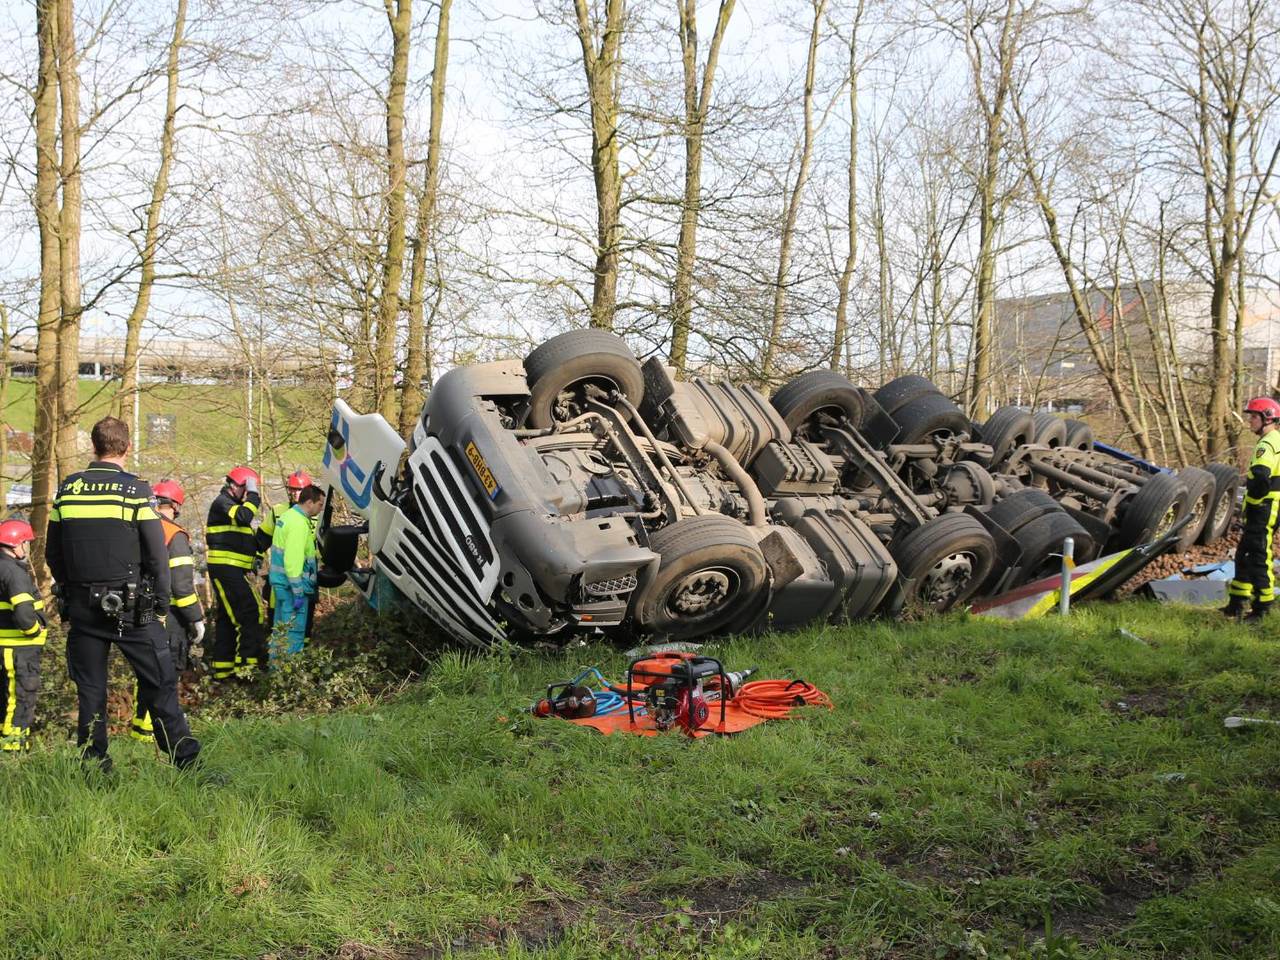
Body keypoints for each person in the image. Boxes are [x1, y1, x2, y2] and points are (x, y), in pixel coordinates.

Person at [46, 416, 200, 772]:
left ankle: (94, 765)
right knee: (159, 683)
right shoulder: (135, 490)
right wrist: (161, 606)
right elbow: (155, 553)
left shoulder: (68, 489)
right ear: (126, 448)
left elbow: (53, 553)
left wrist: (70, 588)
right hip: (133, 610)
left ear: (94, 446)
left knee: (90, 690)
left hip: (83, 608)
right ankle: (187, 763)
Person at [131, 479, 207, 741]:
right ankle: (152, 732)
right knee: (164, 674)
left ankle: (141, 729)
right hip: (169, 618)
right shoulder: (174, 535)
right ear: (175, 505)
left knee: (145, 671)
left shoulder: (137, 527)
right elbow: (182, 588)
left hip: (138, 612)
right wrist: (196, 619)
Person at [1224, 396, 1280, 623]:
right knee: (1244, 555)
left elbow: (1260, 479)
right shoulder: (1275, 439)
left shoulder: (1267, 444)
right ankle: (1236, 604)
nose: (1250, 422)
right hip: (1266, 506)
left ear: (1268, 418)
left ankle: (1262, 608)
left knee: (1258, 556)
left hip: (1265, 508)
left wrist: (1254, 505)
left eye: (1254, 417)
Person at [206, 465, 265, 679]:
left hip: (232, 571)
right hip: (225, 570)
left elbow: (247, 541)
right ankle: (246, 669)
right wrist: (254, 496)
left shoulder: (231, 505)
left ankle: (223, 669)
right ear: (236, 486)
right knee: (249, 613)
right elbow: (243, 516)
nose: (248, 494)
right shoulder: (222, 503)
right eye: (247, 488)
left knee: (228, 618)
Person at [0, 519, 47, 753]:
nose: (27, 548)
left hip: (6, 648)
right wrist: (34, 631)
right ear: (15, 544)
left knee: (6, 698)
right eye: (26, 543)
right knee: (20, 698)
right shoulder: (14, 573)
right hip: (19, 648)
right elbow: (24, 613)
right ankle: (13, 750)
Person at [268, 484, 326, 658]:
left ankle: (276, 674)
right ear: (309, 502)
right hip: (292, 589)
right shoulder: (298, 524)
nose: (321, 508)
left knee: (280, 634)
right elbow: (293, 562)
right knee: (293, 635)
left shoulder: (287, 517)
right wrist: (299, 592)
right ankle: (289, 678)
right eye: (320, 504)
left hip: (282, 586)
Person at [256, 469, 315, 632]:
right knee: (279, 628)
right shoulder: (278, 512)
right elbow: (261, 540)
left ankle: (300, 656)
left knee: (304, 628)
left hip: (305, 580)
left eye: (299, 490)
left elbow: (320, 546)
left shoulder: (316, 514)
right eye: (292, 489)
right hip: (281, 582)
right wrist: (255, 560)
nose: (295, 494)